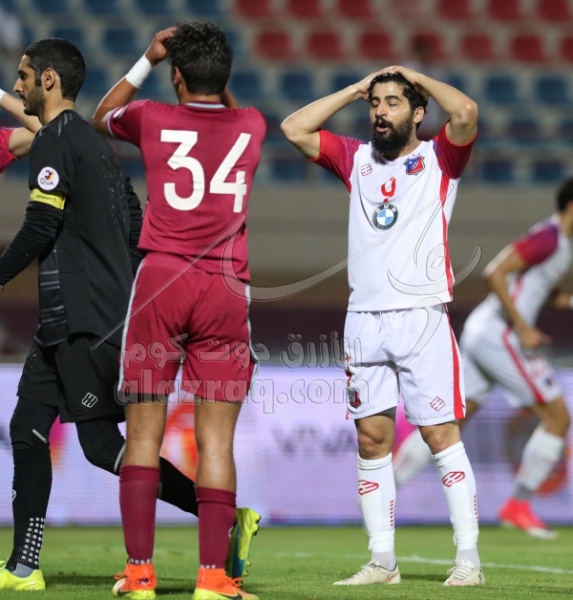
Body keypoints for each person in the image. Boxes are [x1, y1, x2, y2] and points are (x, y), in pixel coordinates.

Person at [0, 38, 203, 592]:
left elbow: (40, 226)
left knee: (100, 446)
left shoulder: (56, 141)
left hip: (82, 319)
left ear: (48, 80)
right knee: (28, 429)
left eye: (23, 76)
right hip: (77, 318)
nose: (17, 86)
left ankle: (220, 515)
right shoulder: (97, 148)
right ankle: (23, 565)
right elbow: (136, 230)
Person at [281, 67, 484, 586]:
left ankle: (468, 559)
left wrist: (414, 75)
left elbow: (465, 111)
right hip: (364, 320)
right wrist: (354, 88)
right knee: (372, 441)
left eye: (393, 102)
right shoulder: (356, 158)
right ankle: (382, 562)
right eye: (375, 103)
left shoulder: (441, 158)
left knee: (440, 435)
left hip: (421, 317)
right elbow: (293, 128)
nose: (380, 111)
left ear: (417, 112)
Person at [92, 22, 265, 600]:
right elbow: (230, 113)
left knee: (144, 435)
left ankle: (140, 574)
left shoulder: (152, 117)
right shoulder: (252, 125)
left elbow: (100, 115)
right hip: (225, 285)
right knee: (217, 442)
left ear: (177, 77)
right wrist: (213, 76)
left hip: (162, 279)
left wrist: (148, 57)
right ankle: (213, 579)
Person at [394, 180, 573, 539]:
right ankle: (517, 506)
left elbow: (536, 288)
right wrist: (522, 327)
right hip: (500, 334)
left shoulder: (561, 243)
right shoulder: (549, 236)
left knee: (449, 422)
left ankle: (385, 487)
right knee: (558, 417)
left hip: (484, 332)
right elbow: (495, 271)